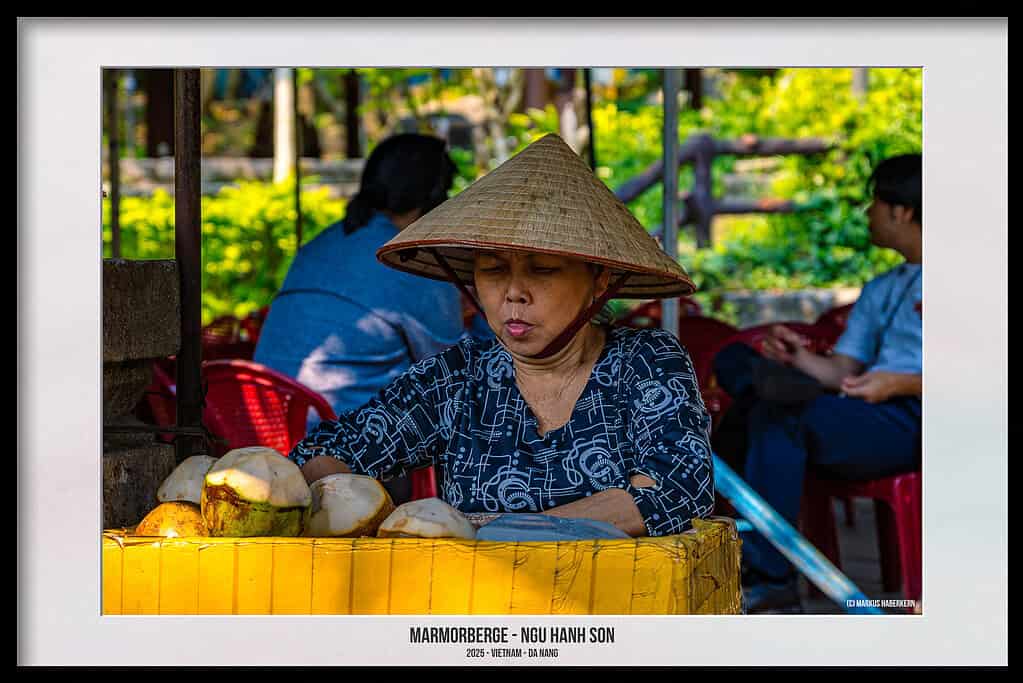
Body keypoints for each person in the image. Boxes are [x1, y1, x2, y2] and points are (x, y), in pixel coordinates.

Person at [288, 134, 715, 538]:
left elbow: (673, 492)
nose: (513, 292)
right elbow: (323, 454)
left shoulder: (647, 361)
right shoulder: (457, 378)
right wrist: (379, 516)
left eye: (542, 269)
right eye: (492, 270)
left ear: (600, 280)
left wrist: (493, 533)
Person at [712, 154, 923, 612]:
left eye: (874, 203)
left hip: (921, 419)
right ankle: (773, 384)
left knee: (771, 415)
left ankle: (768, 573)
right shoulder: (882, 288)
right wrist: (799, 357)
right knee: (736, 362)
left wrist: (901, 385)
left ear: (901, 211)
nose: (868, 214)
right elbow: (845, 371)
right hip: (866, 407)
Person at [254, 134, 468, 501]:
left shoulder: (322, 243)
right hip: (341, 456)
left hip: (262, 430)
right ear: (436, 198)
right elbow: (455, 368)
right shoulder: (409, 259)